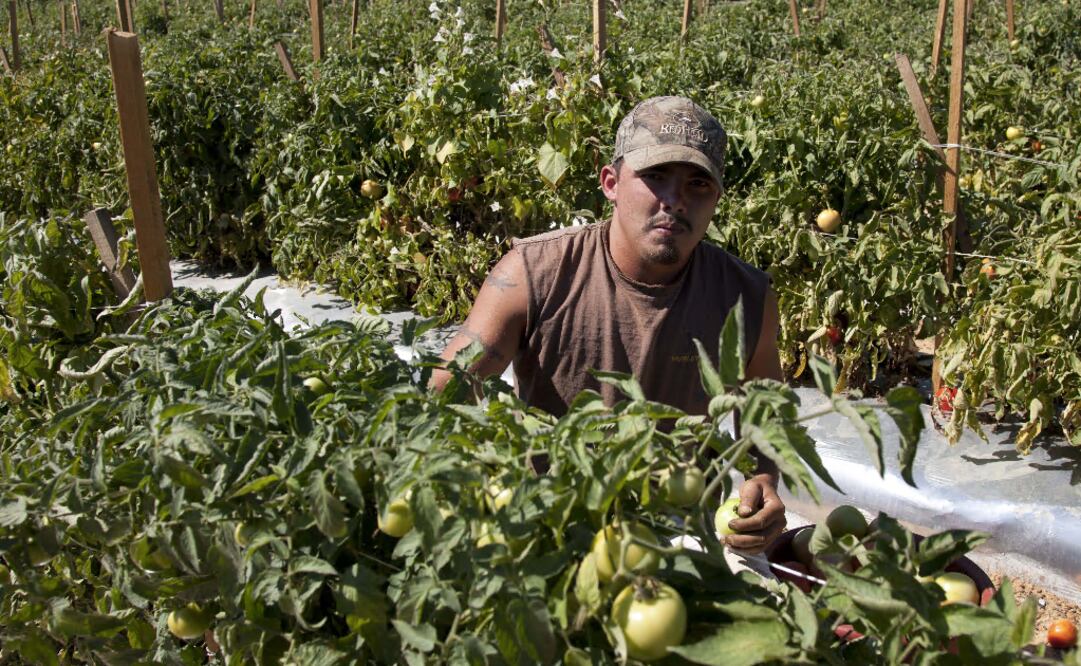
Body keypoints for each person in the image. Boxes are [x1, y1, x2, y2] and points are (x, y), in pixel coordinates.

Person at [431, 96, 786, 554]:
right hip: (552, 525)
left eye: (698, 183)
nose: (674, 201)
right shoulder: (533, 272)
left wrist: (764, 481)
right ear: (611, 182)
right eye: (655, 177)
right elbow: (447, 388)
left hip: (681, 538)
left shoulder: (746, 297)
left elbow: (767, 421)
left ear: (716, 198)